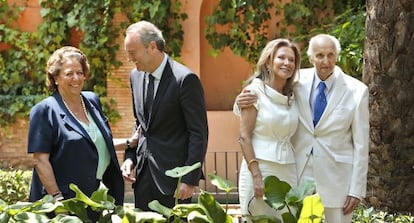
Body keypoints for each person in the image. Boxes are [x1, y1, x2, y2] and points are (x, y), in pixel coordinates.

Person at [236, 34, 369, 223]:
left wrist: (357, 189)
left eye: (331, 55)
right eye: (320, 55)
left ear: (337, 56)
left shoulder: (357, 91)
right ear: (311, 57)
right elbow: (265, 92)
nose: (326, 60)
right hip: (297, 176)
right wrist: (240, 101)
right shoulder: (296, 81)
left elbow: (362, 145)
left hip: (337, 181)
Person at [27, 46, 135, 221]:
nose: (76, 78)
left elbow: (92, 142)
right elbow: (40, 160)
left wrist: (130, 143)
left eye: (80, 72)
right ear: (55, 78)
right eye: (69, 74)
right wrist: (57, 199)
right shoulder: (44, 110)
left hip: (95, 196)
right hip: (64, 203)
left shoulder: (91, 101)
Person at [120, 21, 209, 211]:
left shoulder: (185, 80)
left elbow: (198, 133)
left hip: (174, 183)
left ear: (152, 47)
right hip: (143, 178)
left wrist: (189, 180)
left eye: (132, 53)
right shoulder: (135, 76)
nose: (129, 59)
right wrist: (130, 158)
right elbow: (140, 123)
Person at [235, 38, 301, 219]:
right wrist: (256, 174)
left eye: (292, 60)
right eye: (281, 58)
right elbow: (244, 137)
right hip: (260, 169)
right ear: (269, 61)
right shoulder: (254, 92)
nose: (287, 63)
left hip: (288, 169)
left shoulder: (293, 94)